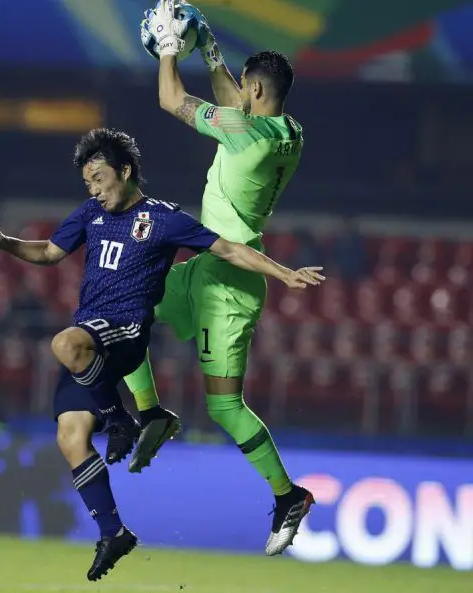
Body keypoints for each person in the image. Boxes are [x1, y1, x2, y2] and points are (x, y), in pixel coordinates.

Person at [0, 127, 323, 580]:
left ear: (124, 171)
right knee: (71, 437)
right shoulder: (89, 215)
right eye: (88, 183)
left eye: (100, 178)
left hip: (122, 332)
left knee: (64, 343)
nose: (95, 190)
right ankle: (113, 532)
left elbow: (230, 250)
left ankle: (123, 417)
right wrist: (6, 243)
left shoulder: (162, 219)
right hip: (93, 343)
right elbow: (47, 252)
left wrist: (282, 273)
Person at [130, 0, 313, 556]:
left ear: (255, 90)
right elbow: (237, 101)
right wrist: (209, 48)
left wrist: (169, 47)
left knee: (224, 408)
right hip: (209, 265)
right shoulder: (288, 131)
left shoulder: (243, 134)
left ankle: (289, 495)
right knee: (124, 307)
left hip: (232, 283)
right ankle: (151, 416)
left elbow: (171, 98)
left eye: (245, 87)